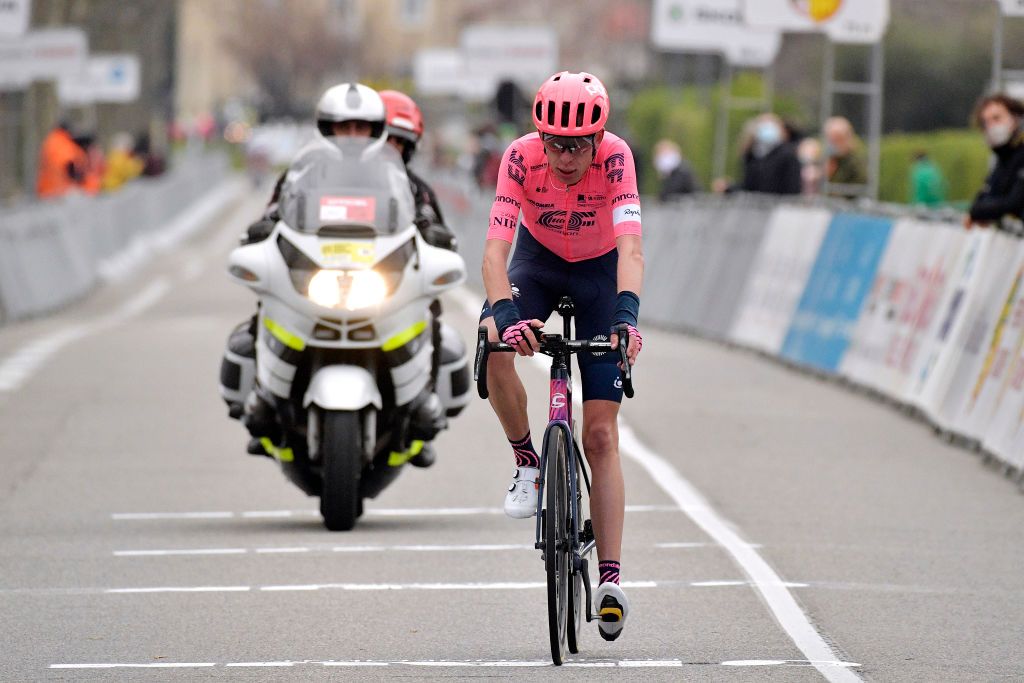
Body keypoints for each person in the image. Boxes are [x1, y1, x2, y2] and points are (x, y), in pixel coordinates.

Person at [480, 71, 643, 642]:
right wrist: (506, 319)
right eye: (555, 143)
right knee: (492, 344)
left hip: (601, 274)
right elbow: (495, 255)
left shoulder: (617, 158)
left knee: (600, 436)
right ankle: (528, 461)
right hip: (539, 264)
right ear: (539, 137)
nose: (565, 156)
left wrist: (626, 317)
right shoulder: (520, 158)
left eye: (577, 145)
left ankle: (611, 580)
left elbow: (630, 248)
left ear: (598, 141)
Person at [379, 89, 457, 250]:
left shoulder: (420, 191)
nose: (391, 147)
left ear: (408, 148)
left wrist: (430, 231)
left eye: (399, 142)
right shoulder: (340, 179)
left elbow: (445, 240)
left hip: (395, 267)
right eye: (386, 139)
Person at [967, 93, 1024, 227]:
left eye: (997, 118)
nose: (991, 126)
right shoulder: (1003, 158)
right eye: (986, 122)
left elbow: (1014, 203)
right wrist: (978, 211)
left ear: (1016, 118)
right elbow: (984, 198)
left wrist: (978, 212)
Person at [739, 113, 801, 195]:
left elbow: (792, 186)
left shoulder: (787, 155)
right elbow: (748, 185)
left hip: (780, 205)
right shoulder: (752, 156)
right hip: (755, 204)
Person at [36, 121, 88, 199]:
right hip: (60, 191)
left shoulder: (50, 140)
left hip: (45, 189)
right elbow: (68, 163)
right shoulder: (64, 143)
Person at [823, 116, 867, 198]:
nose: (833, 143)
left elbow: (860, 186)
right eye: (831, 139)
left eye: (837, 139)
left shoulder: (855, 161)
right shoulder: (831, 159)